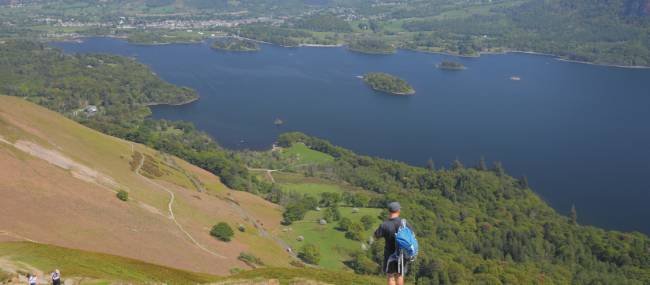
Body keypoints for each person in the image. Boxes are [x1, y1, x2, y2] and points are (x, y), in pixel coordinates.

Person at [374, 201, 412, 285]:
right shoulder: (404, 223)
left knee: (390, 276)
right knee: (400, 275)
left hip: (389, 254)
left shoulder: (384, 225)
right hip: (402, 253)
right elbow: (411, 236)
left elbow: (376, 235)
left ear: (389, 211)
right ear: (398, 211)